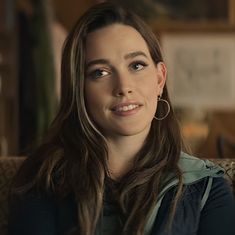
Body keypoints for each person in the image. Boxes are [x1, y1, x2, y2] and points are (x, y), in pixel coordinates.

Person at [8, 2, 235, 235]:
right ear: (79, 89)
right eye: (100, 72)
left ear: (159, 79)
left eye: (136, 65)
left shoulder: (206, 187)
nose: (123, 87)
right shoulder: (46, 178)